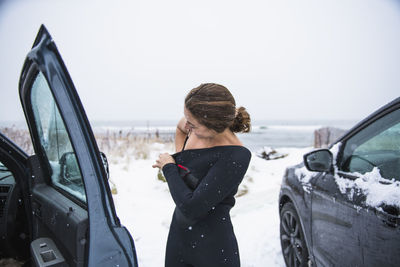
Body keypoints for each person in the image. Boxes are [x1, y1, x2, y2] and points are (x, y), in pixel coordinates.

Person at [152, 83, 251, 267]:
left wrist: (170, 167)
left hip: (213, 250)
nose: (187, 125)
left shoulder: (236, 156)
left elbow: (192, 207)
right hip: (179, 238)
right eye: (187, 118)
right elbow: (181, 127)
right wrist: (181, 157)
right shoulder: (195, 131)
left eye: (193, 123)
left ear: (213, 125)